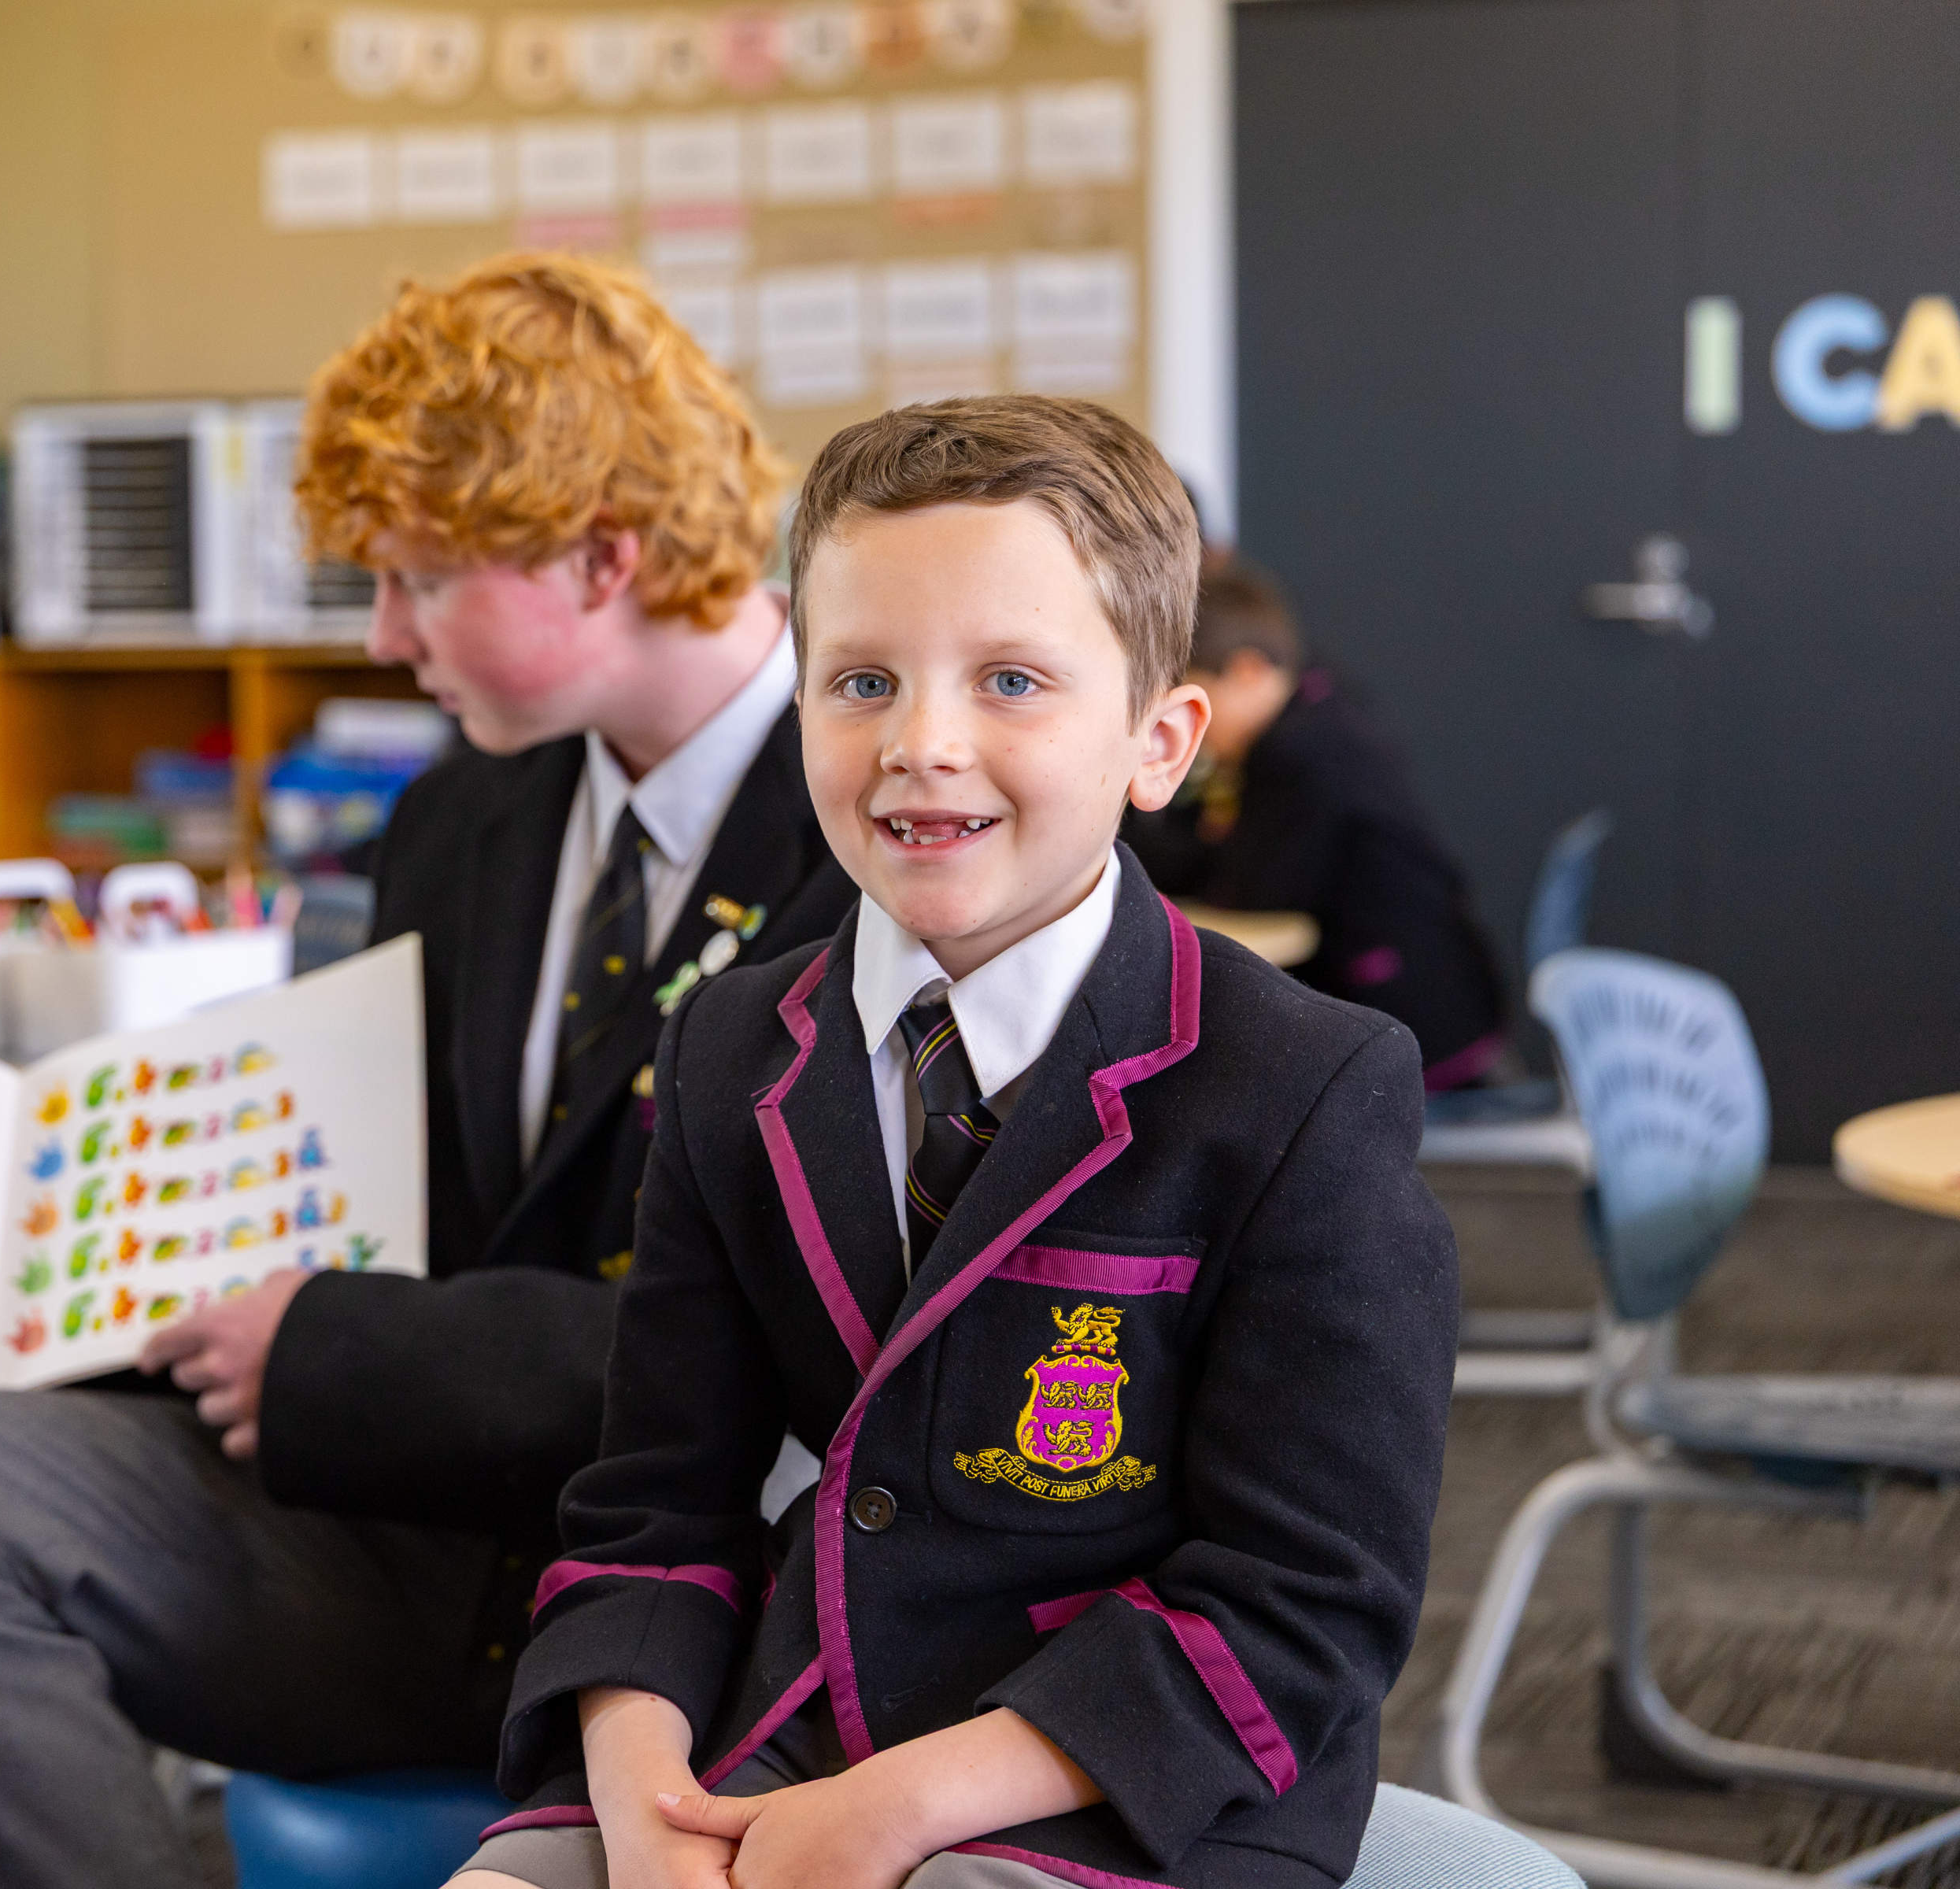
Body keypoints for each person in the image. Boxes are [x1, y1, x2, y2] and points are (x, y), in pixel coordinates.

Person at [0, 253, 860, 1889]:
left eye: (417, 581)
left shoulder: (884, 826)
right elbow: (371, 1200)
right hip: (419, 1534)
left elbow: (801, 1347)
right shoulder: (462, 819)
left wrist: (334, 1353)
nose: (388, 639)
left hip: (721, 1604)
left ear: (603, 556)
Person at [454, 397, 1457, 1889]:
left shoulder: (1308, 1087)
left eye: (1011, 681)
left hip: (1130, 1775)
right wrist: (640, 1785)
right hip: (790, 1728)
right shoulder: (732, 1047)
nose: (923, 745)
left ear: (1158, 741)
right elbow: (657, 1502)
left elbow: (1300, 1604)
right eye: (861, 680)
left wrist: (900, 1813)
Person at [1125, 565, 1507, 1089]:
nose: (1186, 726)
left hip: (1415, 1026)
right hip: (1449, 992)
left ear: (1249, 672)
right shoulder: (1317, 702)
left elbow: (1252, 893)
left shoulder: (1302, 756)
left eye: (1197, 697)